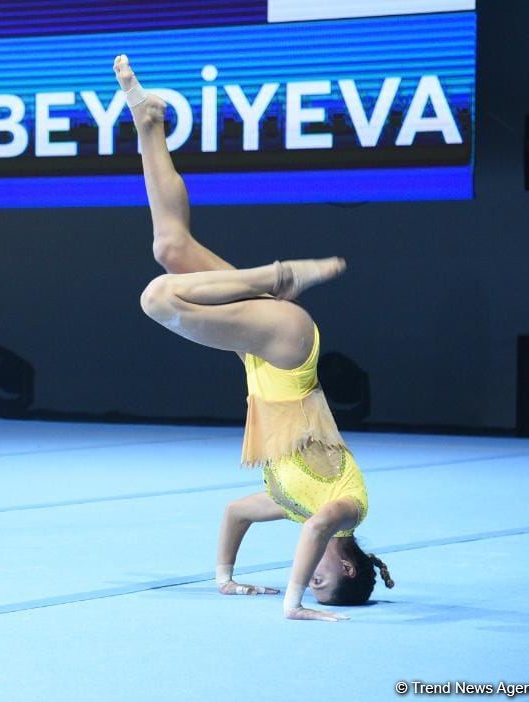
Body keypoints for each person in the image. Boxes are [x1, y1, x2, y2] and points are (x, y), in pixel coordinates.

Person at [113, 56, 394, 620]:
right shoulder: (348, 511)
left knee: (170, 249)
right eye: (319, 580)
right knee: (157, 298)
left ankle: (148, 125)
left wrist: (227, 580)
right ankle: (279, 275)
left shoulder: (292, 503)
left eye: (306, 584)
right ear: (347, 567)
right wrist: (293, 605)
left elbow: (235, 513)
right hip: (289, 350)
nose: (308, 575)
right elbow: (317, 528)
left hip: (262, 349)